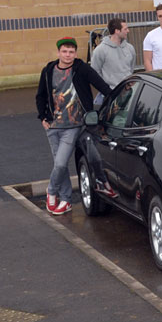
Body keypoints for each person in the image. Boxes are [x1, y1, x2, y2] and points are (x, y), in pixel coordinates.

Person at [36, 37, 113, 215]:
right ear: (58, 53)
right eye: (64, 51)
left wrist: (113, 106)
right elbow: (40, 96)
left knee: (61, 163)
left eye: (71, 52)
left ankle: (51, 191)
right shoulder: (48, 70)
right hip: (52, 125)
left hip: (73, 125)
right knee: (59, 165)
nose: (68, 55)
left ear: (75, 54)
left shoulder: (82, 69)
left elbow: (103, 87)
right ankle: (66, 200)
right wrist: (43, 117)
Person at [90, 18, 135, 97]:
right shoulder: (100, 50)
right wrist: (107, 89)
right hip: (110, 95)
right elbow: (95, 73)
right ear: (117, 31)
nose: (128, 31)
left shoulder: (130, 48)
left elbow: (131, 68)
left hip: (128, 93)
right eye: (125, 29)